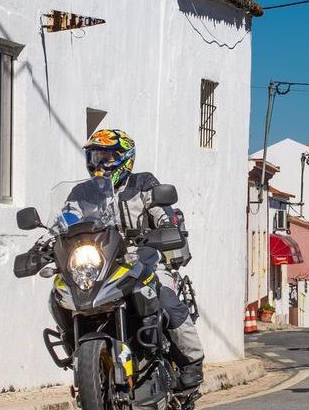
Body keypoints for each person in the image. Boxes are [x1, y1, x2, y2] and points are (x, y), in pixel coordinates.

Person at [50, 129, 205, 390]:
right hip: (101, 264)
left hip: (142, 261)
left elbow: (163, 212)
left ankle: (192, 361)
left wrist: (166, 227)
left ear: (125, 158)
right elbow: (66, 219)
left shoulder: (143, 184)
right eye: (94, 157)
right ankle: (81, 351)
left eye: (106, 157)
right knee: (59, 293)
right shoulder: (81, 193)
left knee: (165, 297)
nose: (98, 164)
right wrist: (47, 239)